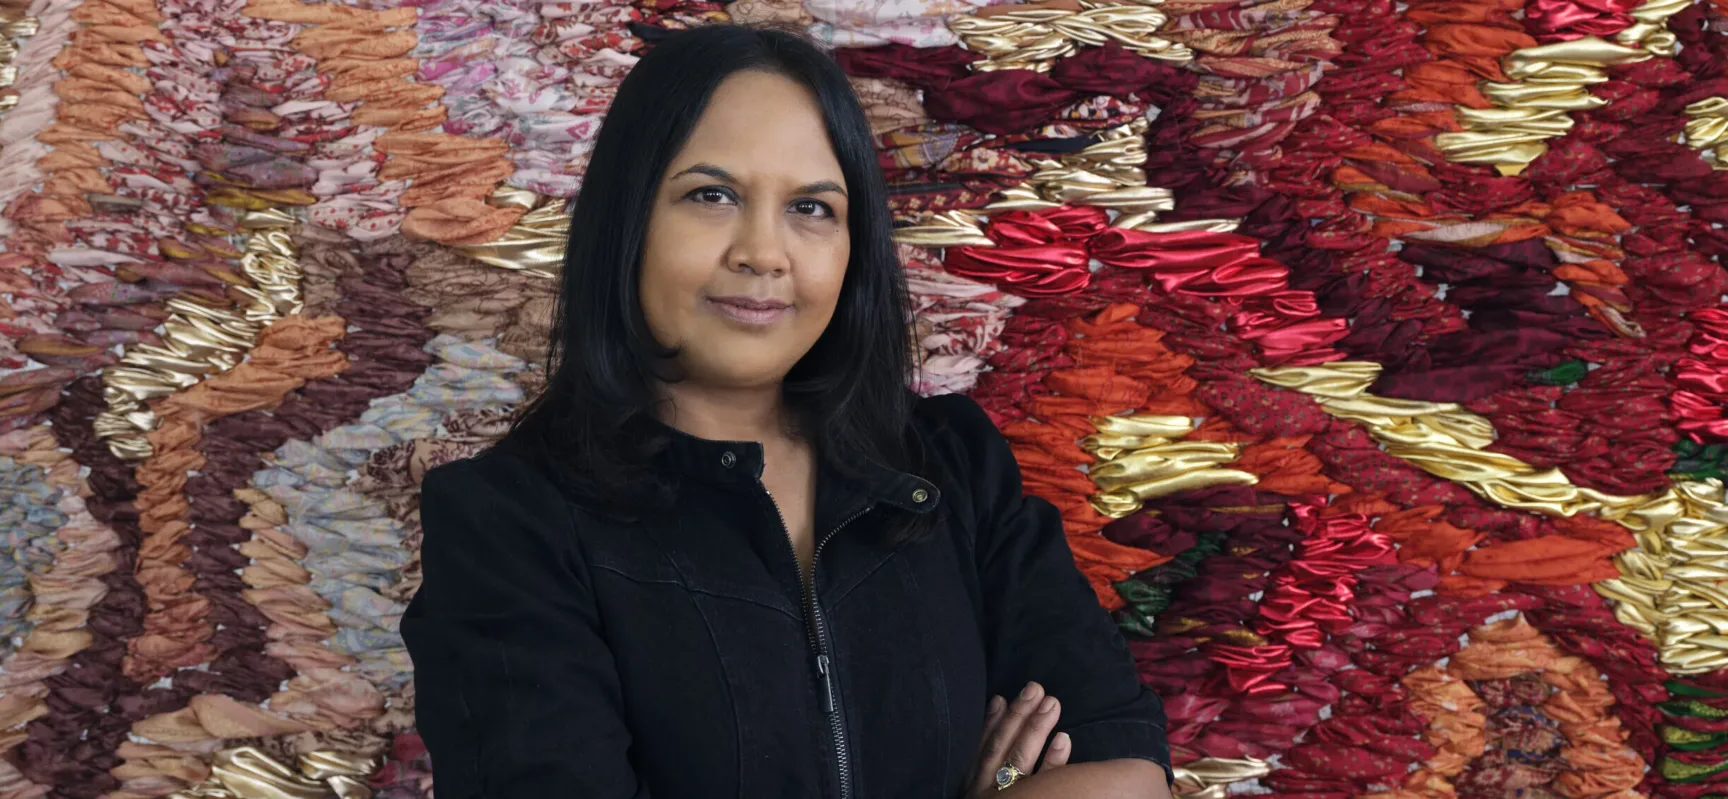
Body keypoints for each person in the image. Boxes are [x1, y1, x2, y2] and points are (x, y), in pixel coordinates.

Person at [400, 23, 1173, 799]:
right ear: (626, 220)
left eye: (811, 207)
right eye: (712, 195)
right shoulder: (506, 522)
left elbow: (1124, 771)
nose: (764, 253)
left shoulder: (950, 464)